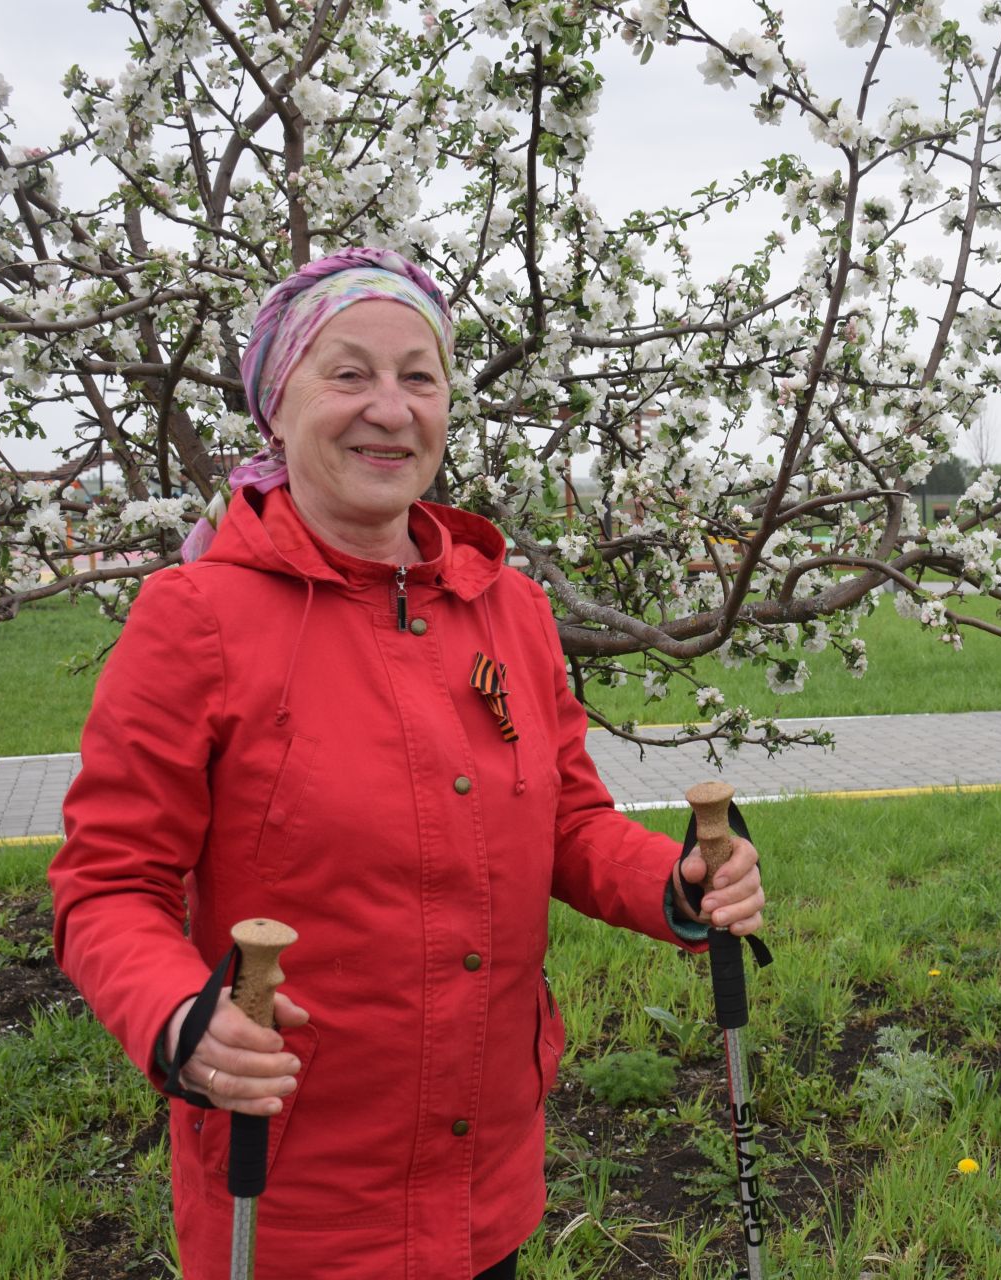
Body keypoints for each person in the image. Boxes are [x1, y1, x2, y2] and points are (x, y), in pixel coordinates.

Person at [48, 248, 765, 1280]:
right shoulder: (196, 617)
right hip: (292, 1198)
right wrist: (178, 1012)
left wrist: (675, 880)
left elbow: (567, 819)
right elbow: (108, 880)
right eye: (348, 374)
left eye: (418, 377)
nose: (389, 407)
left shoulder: (507, 607)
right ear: (278, 407)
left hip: (487, 1182)